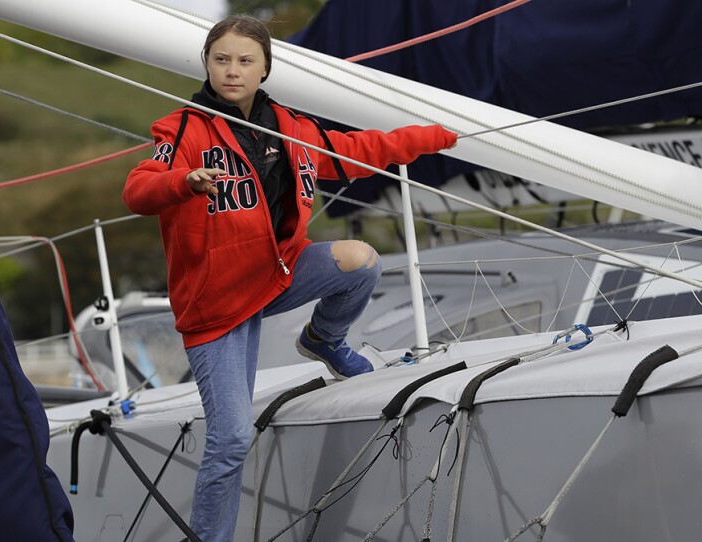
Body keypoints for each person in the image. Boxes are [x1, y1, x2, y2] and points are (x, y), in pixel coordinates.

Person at [122, 14, 457, 542]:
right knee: (231, 439)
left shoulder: (293, 128)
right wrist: (184, 181)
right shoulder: (183, 129)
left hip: (278, 275)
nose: (232, 71)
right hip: (216, 304)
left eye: (245, 61)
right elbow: (138, 189)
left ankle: (323, 340)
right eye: (221, 60)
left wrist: (436, 136)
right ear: (207, 65)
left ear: (265, 69)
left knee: (363, 261)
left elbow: (360, 151)